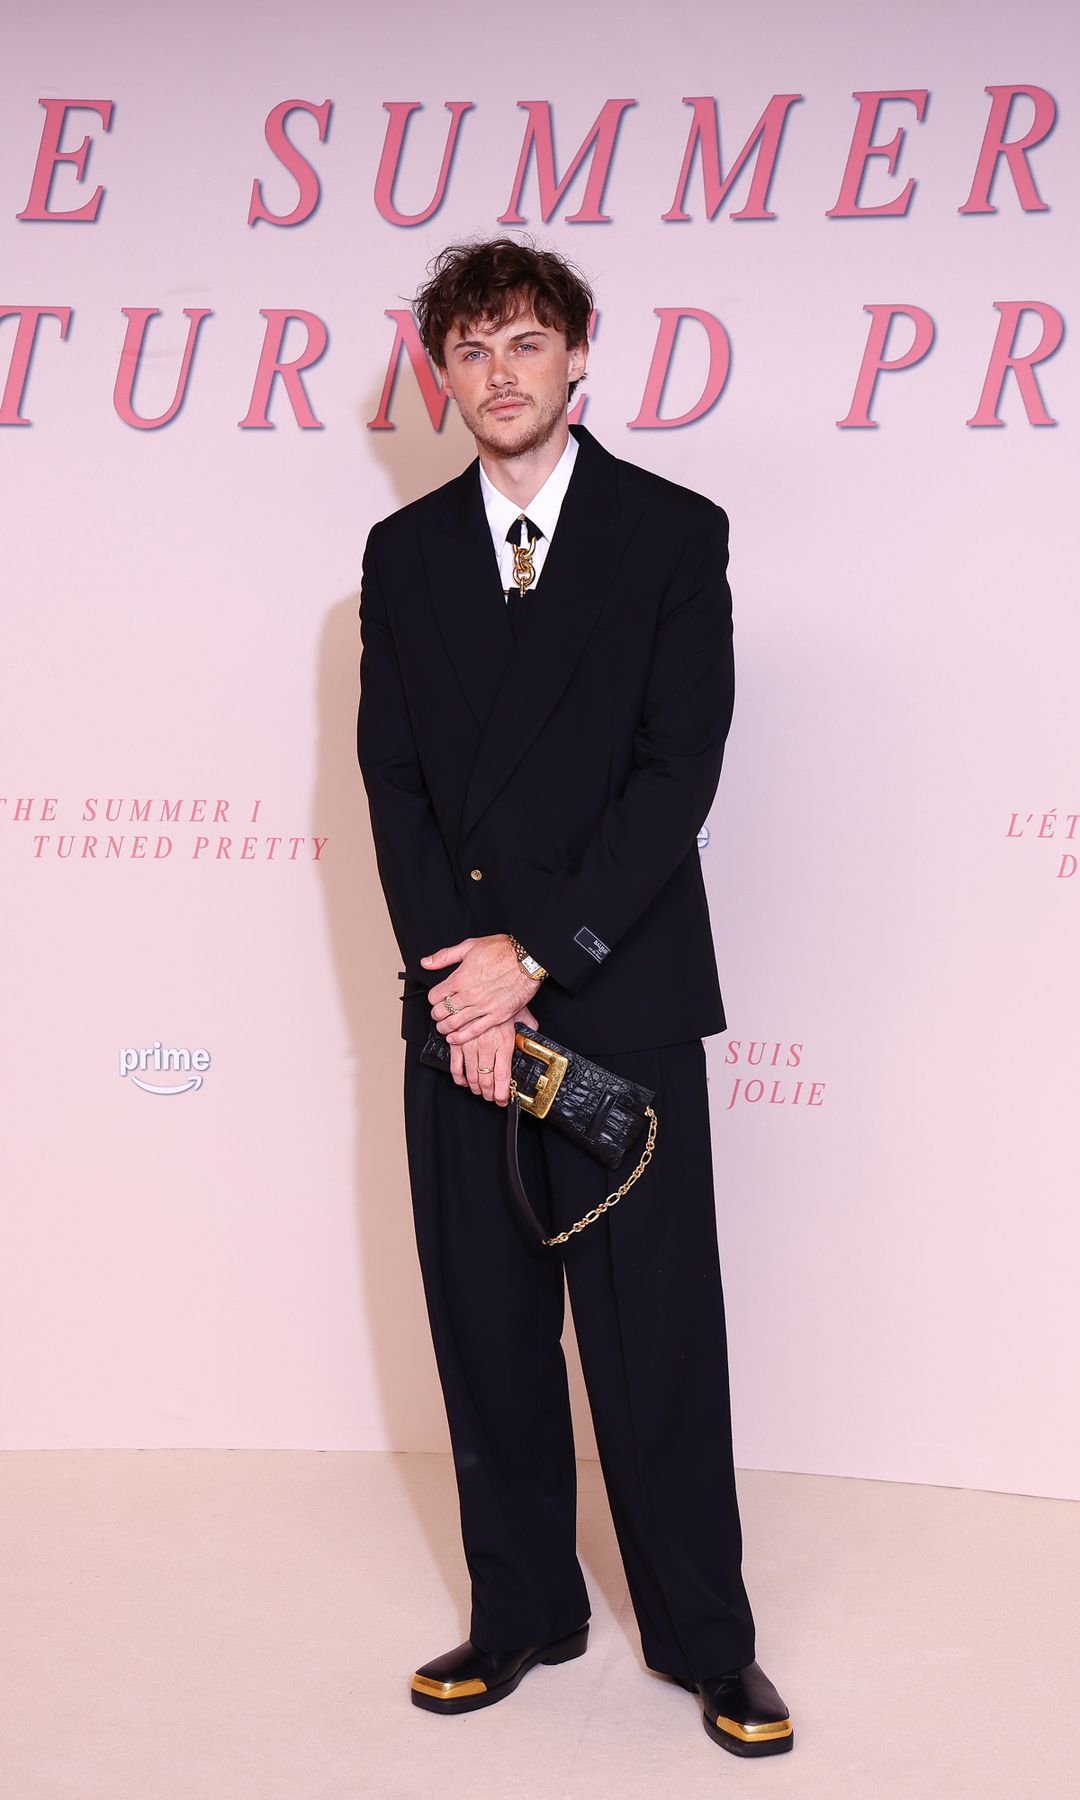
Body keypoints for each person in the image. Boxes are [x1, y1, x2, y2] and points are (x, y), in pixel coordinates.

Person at [355, 237, 794, 1758]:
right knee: (484, 1330)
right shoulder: (402, 559)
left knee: (657, 1336)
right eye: (470, 352)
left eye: (526, 344)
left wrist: (532, 961)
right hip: (463, 1018)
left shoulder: (674, 535)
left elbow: (678, 774)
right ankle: (523, 1609)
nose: (499, 375)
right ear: (440, 375)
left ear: (582, 354)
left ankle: (706, 1641)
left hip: (612, 999)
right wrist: (464, 987)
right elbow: (394, 783)